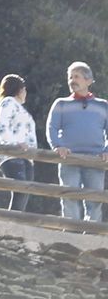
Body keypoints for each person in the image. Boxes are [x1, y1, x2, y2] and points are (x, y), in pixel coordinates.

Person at [46, 62, 108, 223]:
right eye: (70, 77)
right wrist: (57, 146)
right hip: (69, 158)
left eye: (76, 77)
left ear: (88, 81)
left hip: (95, 159)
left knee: (94, 201)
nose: (72, 80)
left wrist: (107, 150)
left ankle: (91, 234)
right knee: (69, 197)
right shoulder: (61, 103)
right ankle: (70, 233)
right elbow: (51, 128)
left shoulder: (103, 105)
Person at [0, 74, 37, 214]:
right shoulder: (8, 102)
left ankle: (15, 220)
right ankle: (11, 221)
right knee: (21, 190)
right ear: (20, 90)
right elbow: (2, 127)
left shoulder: (19, 108)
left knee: (25, 192)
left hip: (26, 157)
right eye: (24, 89)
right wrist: (15, 143)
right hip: (13, 154)